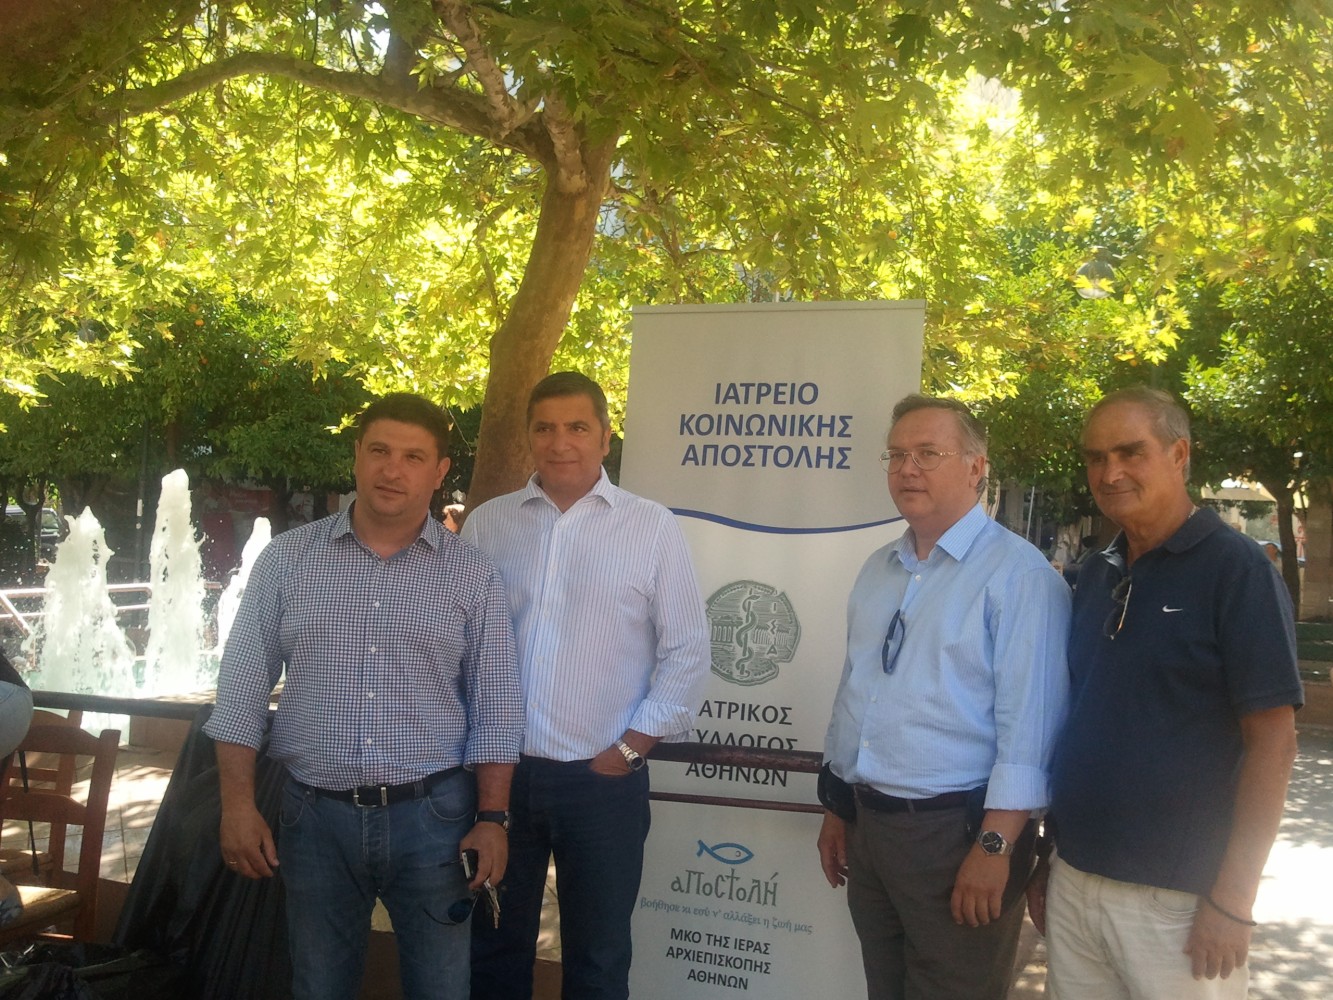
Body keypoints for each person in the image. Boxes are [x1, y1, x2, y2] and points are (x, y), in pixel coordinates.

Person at [203, 392, 523, 1000]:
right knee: (318, 987)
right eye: (379, 451)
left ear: (439, 471)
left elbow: (497, 708)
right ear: (356, 456)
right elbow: (241, 691)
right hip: (313, 819)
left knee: (441, 989)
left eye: (412, 457)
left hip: (435, 821)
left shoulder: (472, 574)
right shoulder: (287, 561)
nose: (391, 470)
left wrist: (492, 819)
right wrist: (237, 806)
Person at [1031, 387, 1302, 998]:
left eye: (1131, 452)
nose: (1110, 473)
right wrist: (1049, 858)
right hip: (1074, 880)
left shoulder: (1238, 572)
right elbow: (1079, 718)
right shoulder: (1096, 572)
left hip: (1179, 903)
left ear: (1179, 455)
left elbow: (1274, 746)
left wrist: (1234, 900)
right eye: (1096, 457)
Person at [463, 371, 710, 1000]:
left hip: (603, 783)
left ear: (605, 436)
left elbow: (687, 649)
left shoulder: (651, 527)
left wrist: (629, 750)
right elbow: (461, 643)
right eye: (544, 428)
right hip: (501, 780)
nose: (560, 441)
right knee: (492, 952)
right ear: (529, 437)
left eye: (577, 427)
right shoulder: (489, 524)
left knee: (598, 961)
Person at [817, 393, 1071, 1000]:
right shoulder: (879, 568)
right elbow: (858, 693)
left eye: (928, 453)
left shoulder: (1021, 576)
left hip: (958, 837)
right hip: (870, 830)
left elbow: (1030, 731)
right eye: (897, 455)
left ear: (976, 467)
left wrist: (994, 847)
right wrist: (838, 806)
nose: (908, 469)